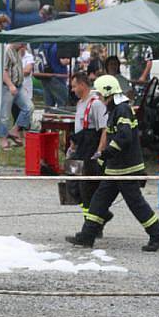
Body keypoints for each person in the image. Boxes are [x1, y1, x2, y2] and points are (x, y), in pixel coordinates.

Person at [67, 74, 159, 252]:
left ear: (108, 92)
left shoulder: (123, 109)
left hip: (127, 169)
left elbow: (124, 136)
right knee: (99, 201)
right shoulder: (114, 110)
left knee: (136, 204)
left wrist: (107, 152)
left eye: (99, 94)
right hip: (115, 169)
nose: (97, 98)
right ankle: (87, 236)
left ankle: (158, 236)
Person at [65, 72, 109, 226]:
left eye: (74, 86)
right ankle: (102, 215)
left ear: (82, 85)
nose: (73, 90)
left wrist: (99, 152)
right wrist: (72, 147)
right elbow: (78, 130)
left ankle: (92, 224)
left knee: (87, 189)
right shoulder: (79, 103)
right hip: (78, 150)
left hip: (90, 152)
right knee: (71, 184)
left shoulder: (96, 104)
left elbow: (104, 129)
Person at [0, 42, 32, 150]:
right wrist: (10, 85)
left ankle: (14, 130)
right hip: (8, 87)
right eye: (22, 44)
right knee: (5, 115)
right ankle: (3, 139)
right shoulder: (7, 51)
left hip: (19, 85)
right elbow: (3, 71)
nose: (23, 46)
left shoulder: (17, 51)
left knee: (29, 107)